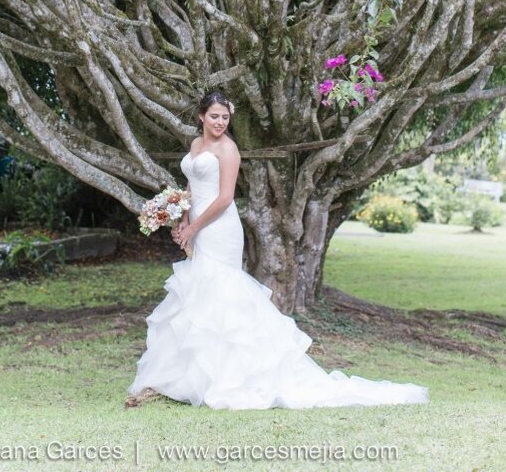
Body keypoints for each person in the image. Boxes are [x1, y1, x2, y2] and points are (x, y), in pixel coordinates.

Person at [127, 90, 429, 410]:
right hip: (198, 223)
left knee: (220, 289)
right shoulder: (195, 146)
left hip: (219, 227)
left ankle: (233, 375)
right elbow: (190, 187)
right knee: (197, 291)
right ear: (201, 116)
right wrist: (182, 219)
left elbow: (225, 198)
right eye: (214, 116)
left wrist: (195, 226)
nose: (219, 122)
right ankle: (190, 376)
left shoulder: (228, 149)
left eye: (225, 118)